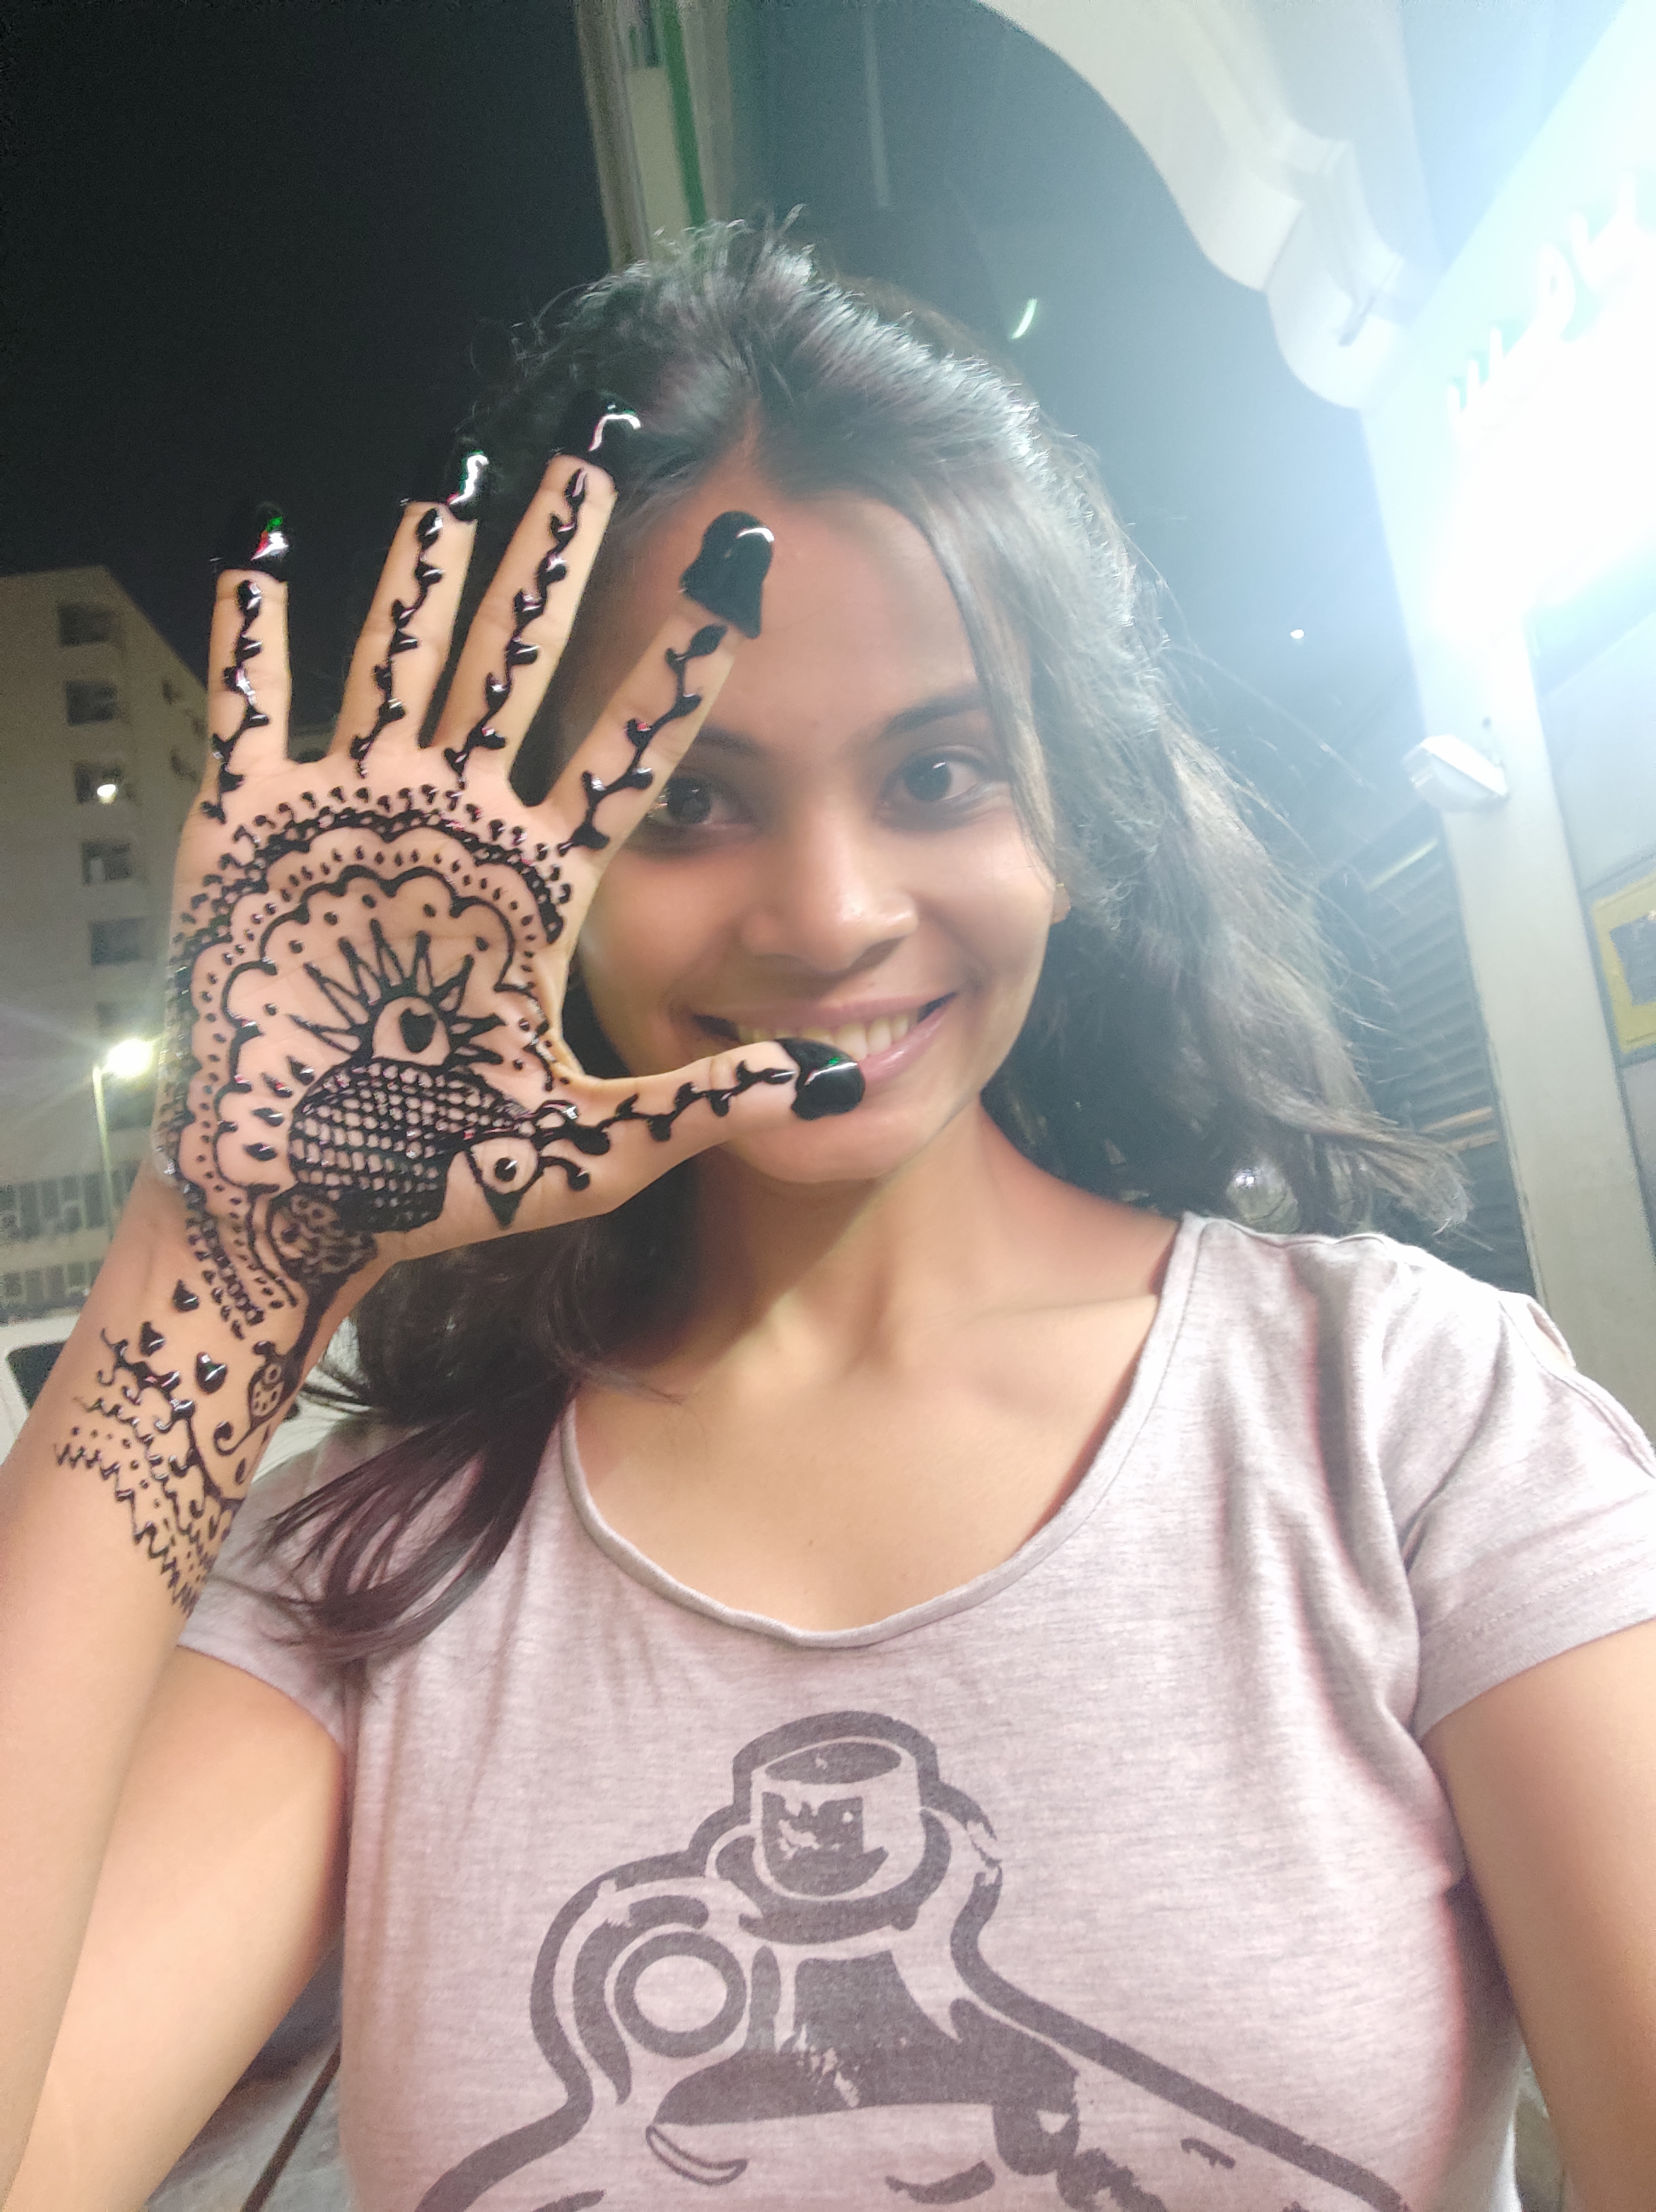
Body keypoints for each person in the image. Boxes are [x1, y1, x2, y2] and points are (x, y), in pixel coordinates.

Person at [2, 224, 1654, 2212]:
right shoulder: (375, 1566)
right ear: (544, 870)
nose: (831, 916)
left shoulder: (1406, 1427)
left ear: (1076, 820)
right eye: (690, 803)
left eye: (939, 772)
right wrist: (219, 1254)